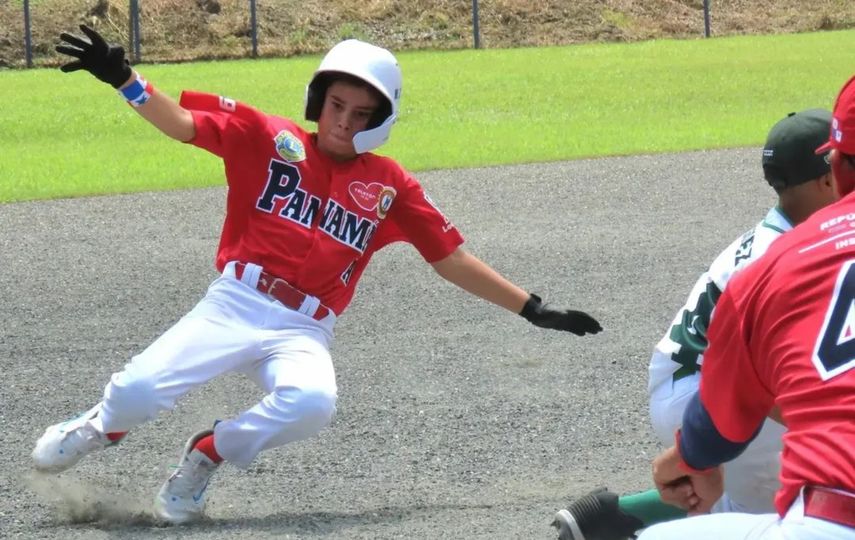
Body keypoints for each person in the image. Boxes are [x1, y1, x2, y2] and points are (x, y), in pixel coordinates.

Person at [32, 26, 602, 525]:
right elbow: (183, 124)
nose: (344, 120)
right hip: (235, 302)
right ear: (317, 101)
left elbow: (448, 257)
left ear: (382, 122)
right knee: (135, 393)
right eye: (336, 105)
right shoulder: (269, 138)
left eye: (362, 114)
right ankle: (98, 427)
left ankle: (207, 452)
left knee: (313, 403)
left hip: (304, 328)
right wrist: (126, 80)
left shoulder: (390, 185)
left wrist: (531, 306)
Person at [552, 107, 838, 540]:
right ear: (827, 180)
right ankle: (625, 522)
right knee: (804, 507)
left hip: (685, 380)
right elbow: (770, 379)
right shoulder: (785, 254)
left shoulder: (773, 236)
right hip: (705, 392)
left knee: (758, 501)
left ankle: (611, 516)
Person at [636, 74, 855, 539]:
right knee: (775, 474)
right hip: (696, 385)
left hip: (697, 384)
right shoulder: (775, 255)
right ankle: (648, 513)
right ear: (825, 181)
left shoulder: (783, 244)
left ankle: (644, 513)